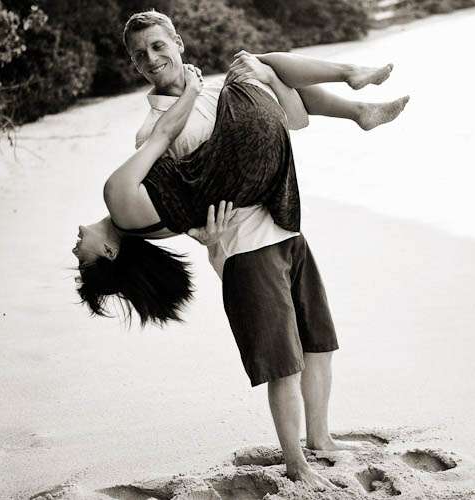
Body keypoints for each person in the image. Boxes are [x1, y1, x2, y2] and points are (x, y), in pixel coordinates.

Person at [74, 10, 408, 489]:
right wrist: (206, 237)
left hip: (284, 223)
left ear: (178, 42)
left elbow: (291, 122)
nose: (152, 58)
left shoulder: (215, 92)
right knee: (283, 365)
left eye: (158, 45)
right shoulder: (151, 132)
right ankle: (297, 464)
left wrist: (266, 84)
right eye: (141, 54)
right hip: (247, 249)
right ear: (134, 65)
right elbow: (187, 199)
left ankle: (321, 439)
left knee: (319, 345)